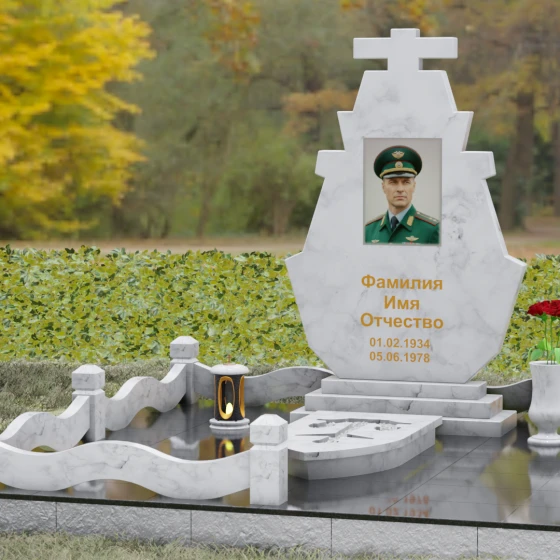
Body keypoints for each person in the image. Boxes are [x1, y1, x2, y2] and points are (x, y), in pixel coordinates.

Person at [364, 145, 439, 244]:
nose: (400, 189)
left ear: (414, 186)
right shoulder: (368, 231)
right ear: (383, 187)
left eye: (406, 182)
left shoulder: (432, 230)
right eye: (393, 182)